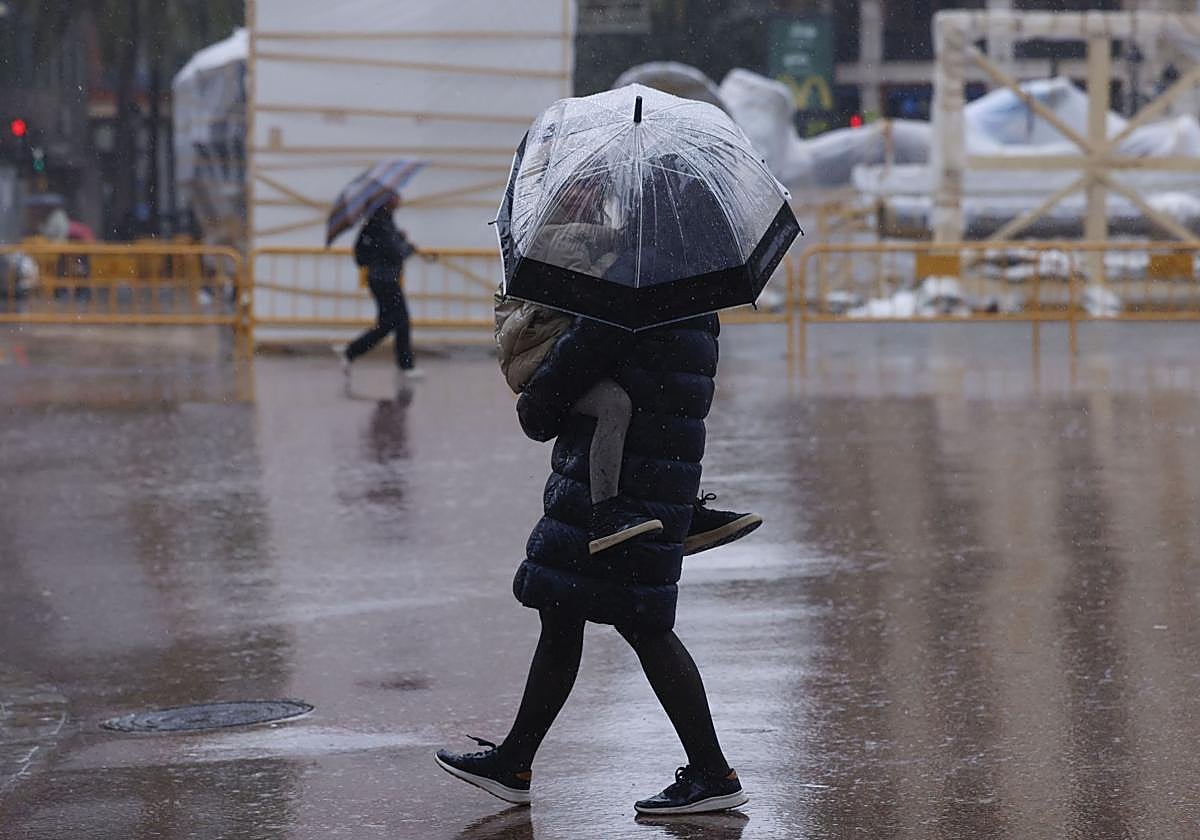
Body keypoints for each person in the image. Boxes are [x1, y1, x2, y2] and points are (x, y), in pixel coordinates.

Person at [437, 313, 753, 815]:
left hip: (618, 494)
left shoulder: (626, 292)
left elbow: (552, 396)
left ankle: (713, 772)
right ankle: (515, 760)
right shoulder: (693, 299)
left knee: (641, 623)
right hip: (653, 477)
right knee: (563, 613)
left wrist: (536, 396)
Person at [494, 293, 762, 555]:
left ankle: (677, 511)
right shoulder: (628, 274)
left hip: (644, 488)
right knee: (618, 405)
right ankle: (612, 512)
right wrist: (537, 406)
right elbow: (588, 342)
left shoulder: (666, 277)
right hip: (611, 506)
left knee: (668, 413)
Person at [339, 192, 429, 380]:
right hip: (385, 280)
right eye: (395, 196)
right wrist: (408, 247)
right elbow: (395, 252)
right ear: (387, 201)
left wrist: (399, 238)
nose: (399, 199)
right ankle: (403, 365)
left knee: (390, 323)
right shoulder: (381, 223)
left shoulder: (380, 221)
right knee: (399, 321)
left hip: (381, 278)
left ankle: (352, 352)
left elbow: (385, 247)